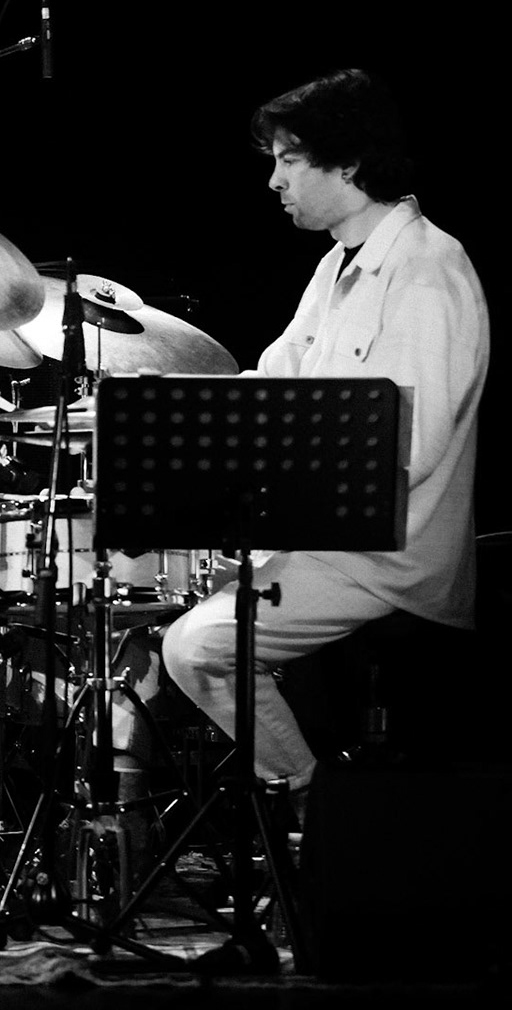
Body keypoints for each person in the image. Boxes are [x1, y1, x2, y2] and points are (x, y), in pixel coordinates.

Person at [160, 69, 488, 822]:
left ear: (346, 162)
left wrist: (278, 515)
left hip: (390, 554)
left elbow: (413, 449)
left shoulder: (428, 268)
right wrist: (153, 394)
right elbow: (277, 382)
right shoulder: (338, 264)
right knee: (149, 612)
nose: (273, 180)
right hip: (335, 538)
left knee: (197, 649)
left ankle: (321, 815)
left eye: (288, 160)